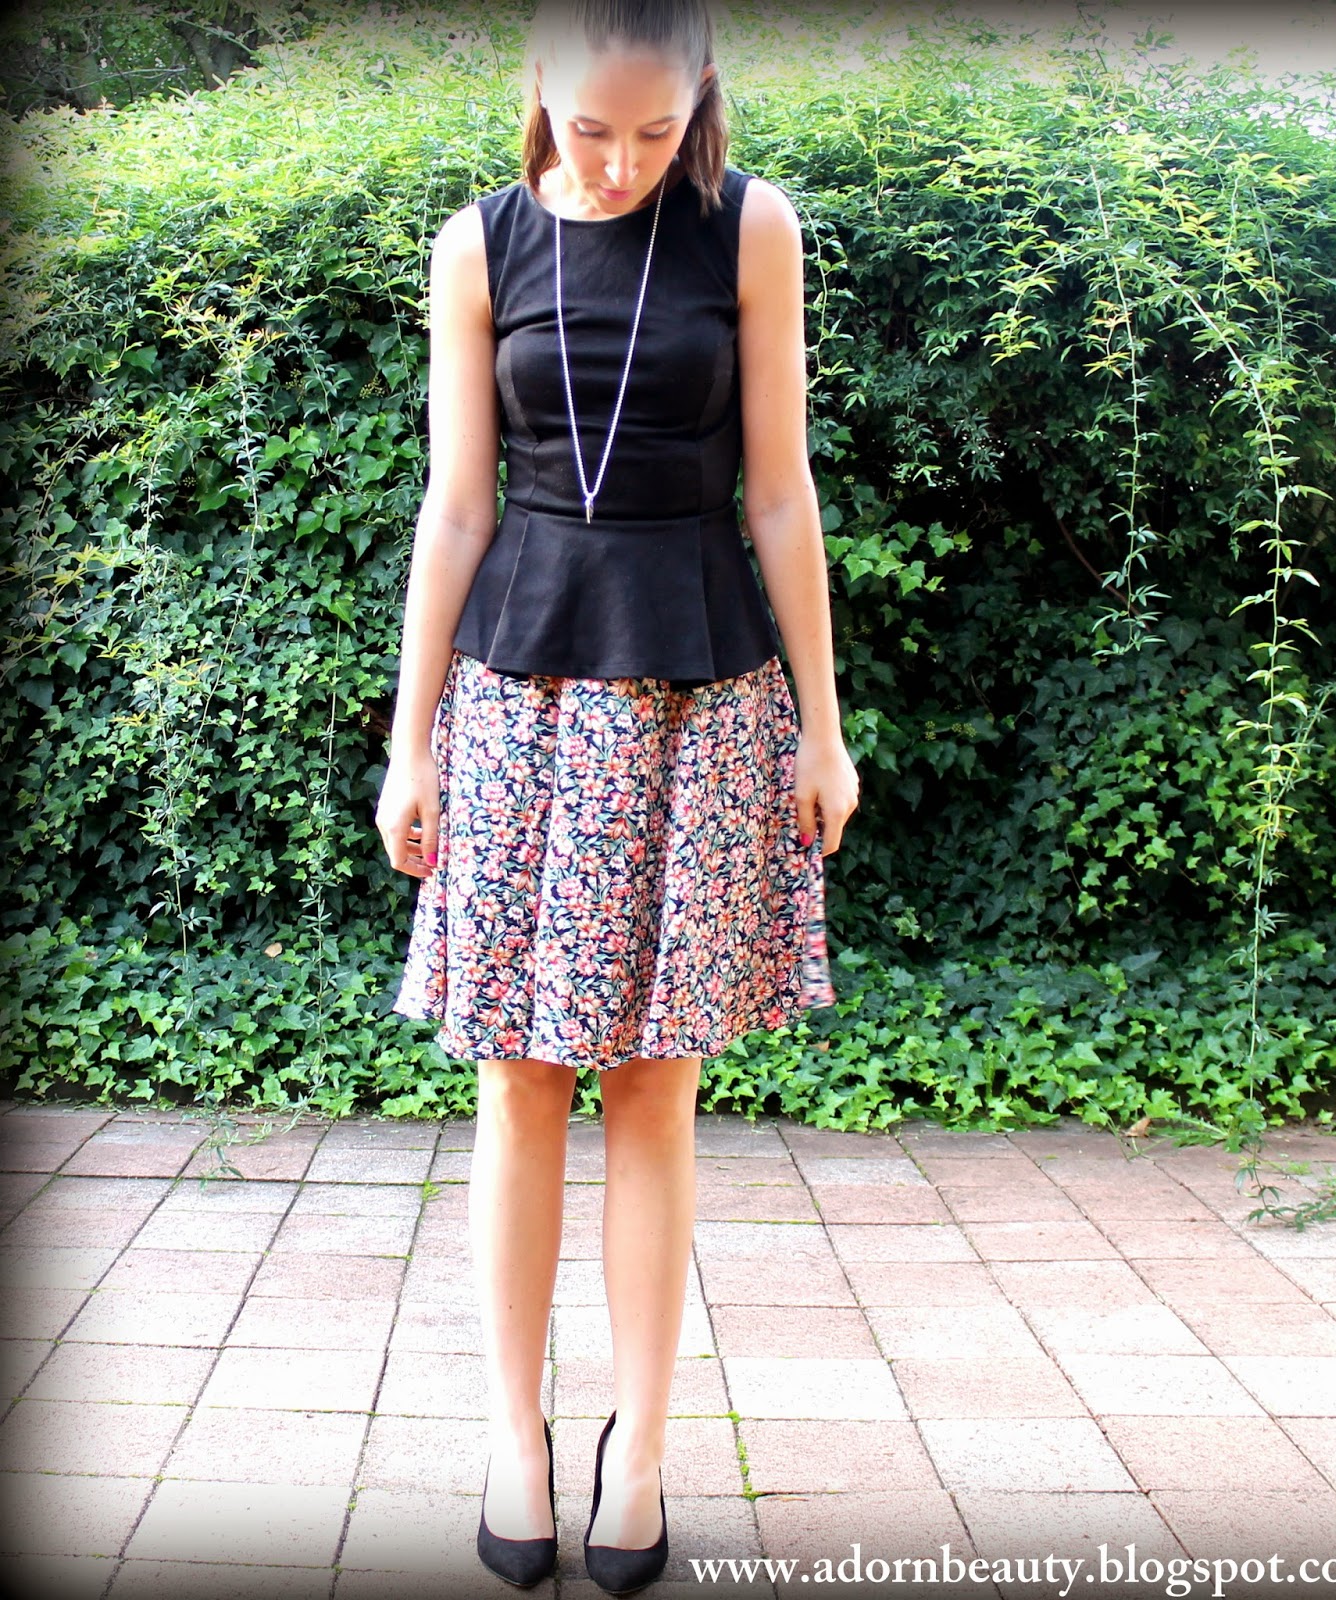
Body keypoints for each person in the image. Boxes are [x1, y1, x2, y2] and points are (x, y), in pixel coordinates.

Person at [375, 0, 859, 1589]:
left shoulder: (751, 227)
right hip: (518, 698)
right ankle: (514, 1439)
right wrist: (410, 739)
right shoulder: (477, 245)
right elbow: (456, 508)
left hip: (701, 698)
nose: (620, 162)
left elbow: (778, 493)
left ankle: (637, 1447)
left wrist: (822, 730)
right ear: (541, 83)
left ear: (698, 96)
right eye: (593, 128)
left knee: (657, 1081)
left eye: (655, 132)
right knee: (518, 1076)